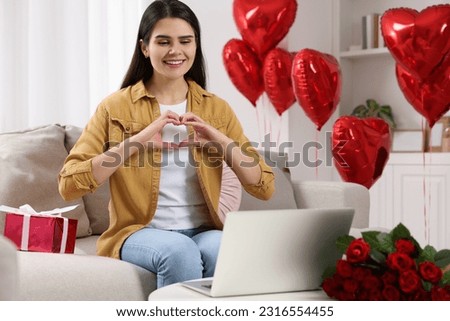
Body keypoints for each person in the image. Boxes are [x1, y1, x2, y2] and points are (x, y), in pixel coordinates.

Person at [58, 0, 275, 289]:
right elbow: (69, 185)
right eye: (164, 42)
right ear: (145, 48)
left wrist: (220, 141)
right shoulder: (115, 107)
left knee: (226, 248)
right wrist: (136, 143)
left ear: (196, 46)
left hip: (204, 230)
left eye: (185, 41)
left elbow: (264, 186)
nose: (176, 51)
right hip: (138, 232)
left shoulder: (217, 110)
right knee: (178, 251)